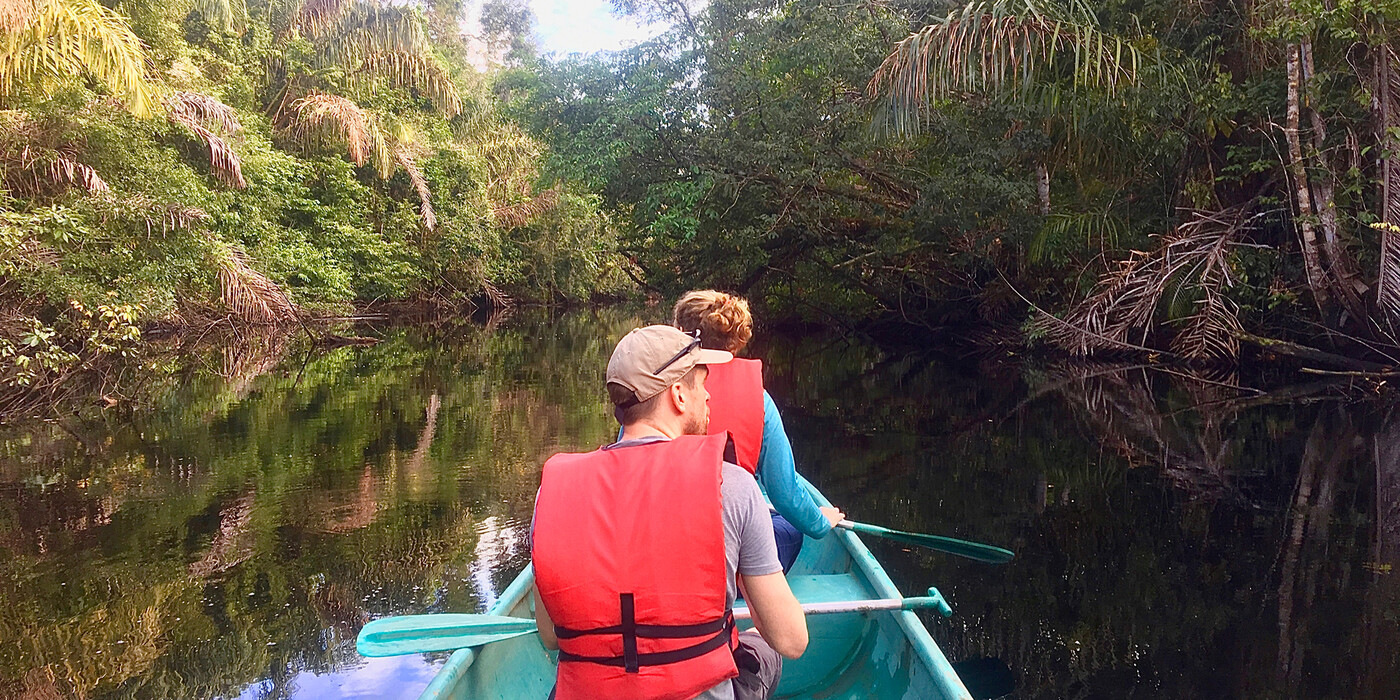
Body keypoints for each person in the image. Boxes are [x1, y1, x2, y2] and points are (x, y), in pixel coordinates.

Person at [531, 325, 808, 700]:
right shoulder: (734, 485)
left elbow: (551, 636)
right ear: (678, 394)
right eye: (701, 383)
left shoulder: (553, 491)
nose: (709, 396)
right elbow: (791, 639)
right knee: (767, 645)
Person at [672, 291, 844, 573]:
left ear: (679, 334)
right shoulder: (759, 400)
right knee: (789, 524)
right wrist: (821, 523)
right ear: (733, 341)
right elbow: (785, 493)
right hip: (730, 560)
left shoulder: (655, 394)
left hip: (670, 554)